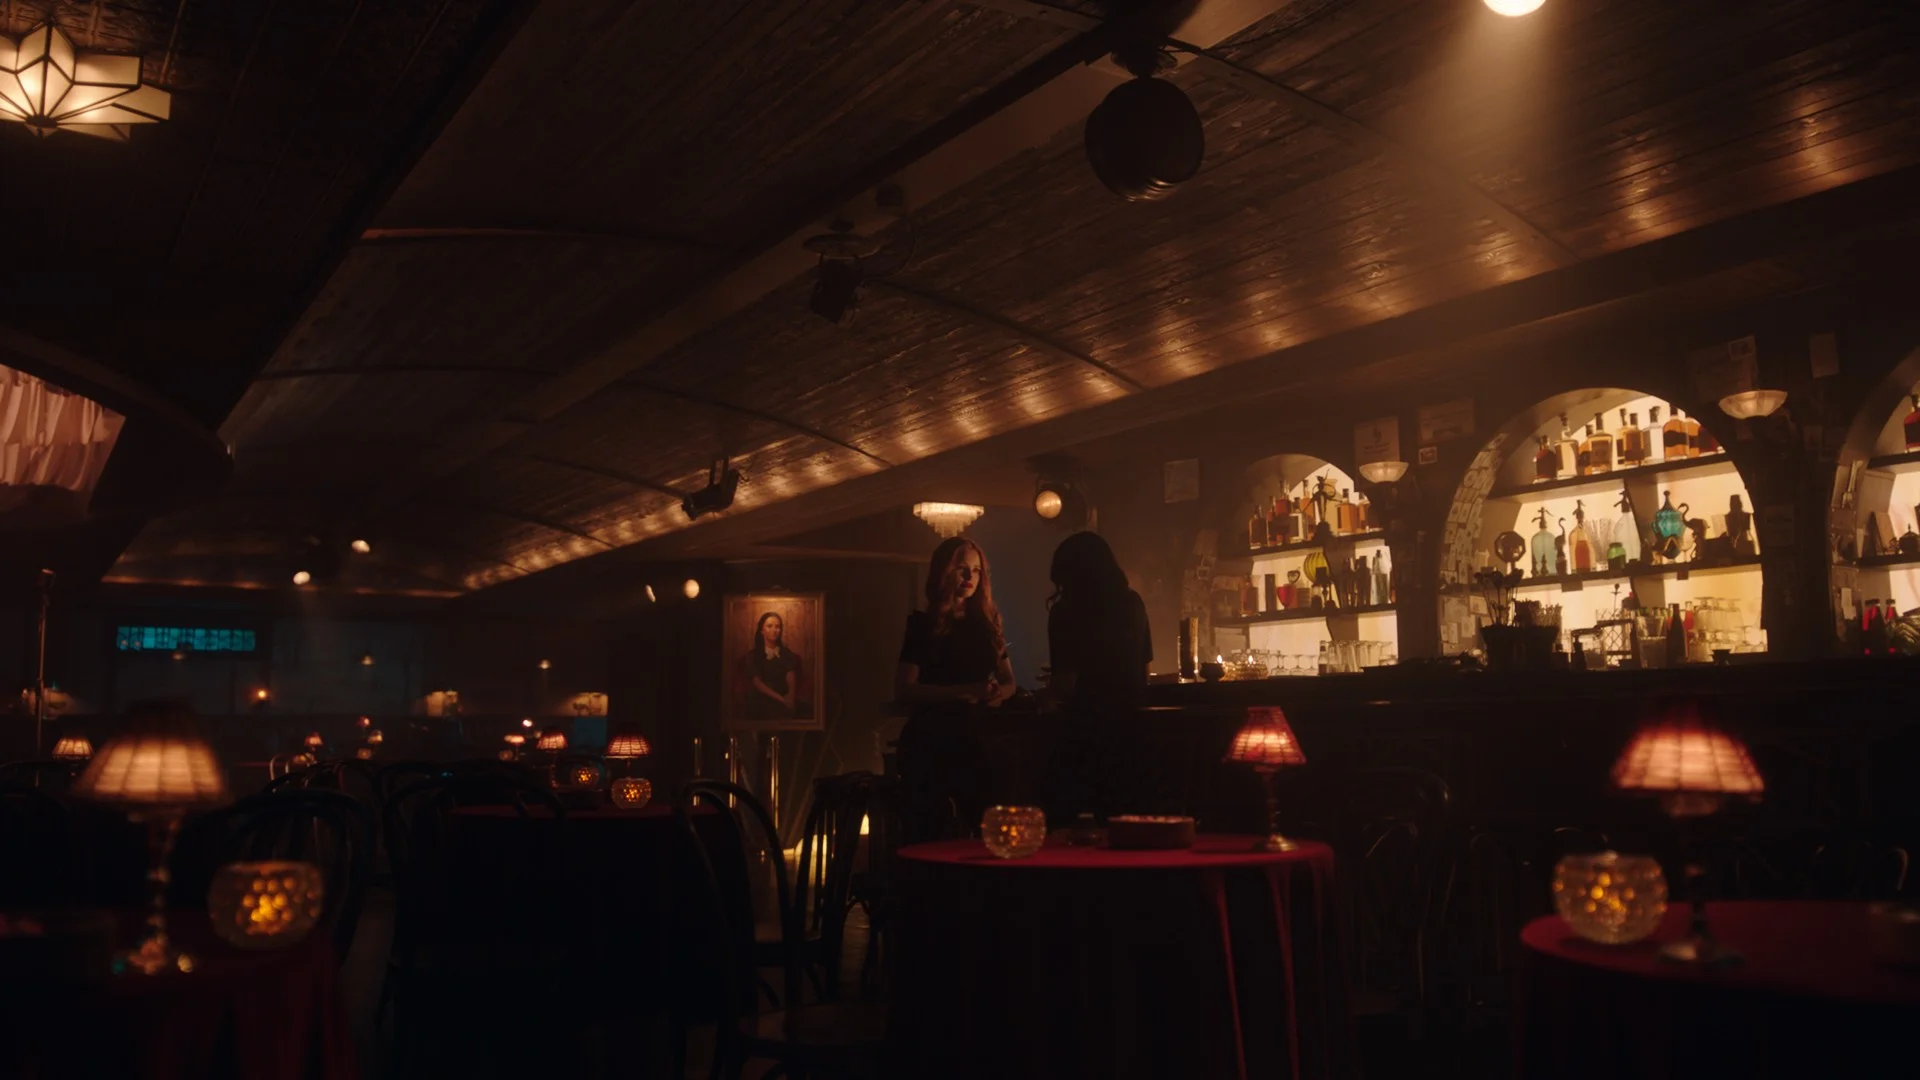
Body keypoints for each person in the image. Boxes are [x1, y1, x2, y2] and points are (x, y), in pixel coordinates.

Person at [895, 536, 1016, 710]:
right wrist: (964, 692)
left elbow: (1009, 681)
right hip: (938, 721)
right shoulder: (923, 624)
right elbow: (904, 689)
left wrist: (1000, 693)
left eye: (976, 570)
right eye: (961, 568)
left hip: (981, 721)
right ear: (944, 571)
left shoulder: (986, 623)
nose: (969, 576)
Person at [1045, 531, 1152, 712]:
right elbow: (1145, 669)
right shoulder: (1133, 603)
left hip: (1085, 719)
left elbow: (1065, 684)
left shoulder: (1066, 611)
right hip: (1132, 717)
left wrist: (1043, 696)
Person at [742, 611, 802, 721]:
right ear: (762, 630)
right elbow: (757, 683)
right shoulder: (753, 656)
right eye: (769, 626)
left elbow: (790, 677)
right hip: (763, 698)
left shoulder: (787, 654)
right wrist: (781, 699)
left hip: (784, 696)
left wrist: (790, 696)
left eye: (777, 627)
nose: (774, 630)